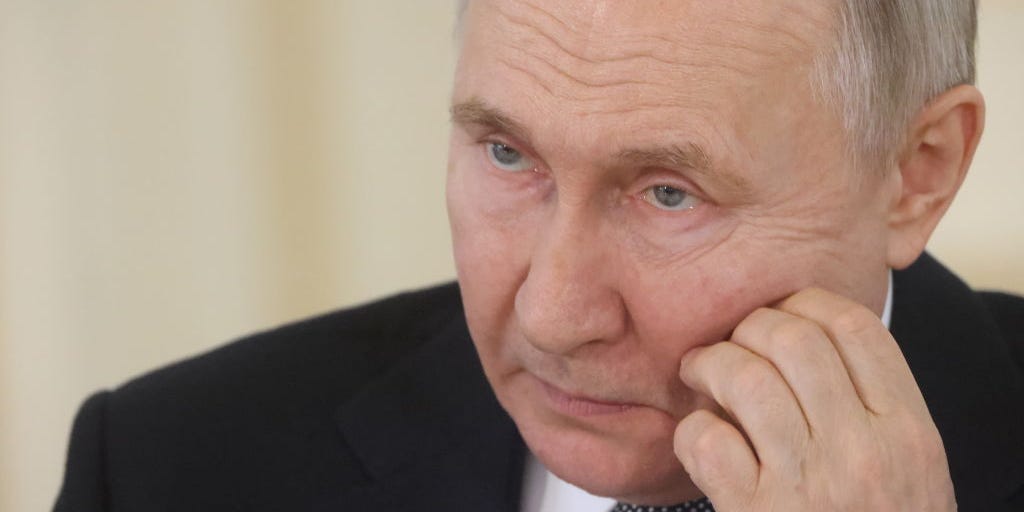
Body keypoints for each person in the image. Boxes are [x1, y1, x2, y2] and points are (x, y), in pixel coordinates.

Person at [54, 1, 1024, 511]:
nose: (552, 316)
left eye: (668, 193)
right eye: (507, 154)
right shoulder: (164, 467)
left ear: (918, 172)